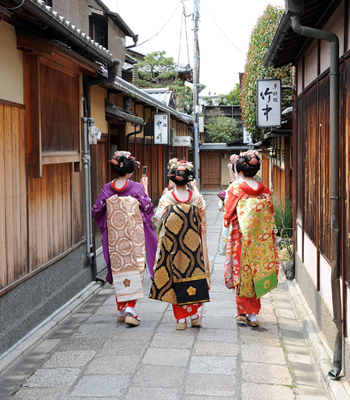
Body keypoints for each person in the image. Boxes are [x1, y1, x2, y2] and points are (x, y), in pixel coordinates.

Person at [92, 151, 157, 326]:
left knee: (118, 267)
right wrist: (145, 188)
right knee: (135, 268)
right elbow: (148, 208)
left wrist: (109, 221)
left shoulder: (107, 188)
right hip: (135, 236)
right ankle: (130, 309)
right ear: (130, 171)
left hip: (115, 235)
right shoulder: (136, 188)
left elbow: (96, 210)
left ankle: (121, 309)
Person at [149, 158, 210, 330]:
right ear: (190, 179)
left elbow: (158, 221)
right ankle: (194, 316)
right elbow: (202, 220)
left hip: (172, 246)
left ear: (171, 178)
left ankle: (181, 320)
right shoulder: (196, 198)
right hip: (193, 246)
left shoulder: (166, 198)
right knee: (193, 274)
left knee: (174, 277)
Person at [223, 150, 279, 327]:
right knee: (258, 269)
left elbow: (228, 212)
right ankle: (252, 314)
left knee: (243, 271)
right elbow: (270, 213)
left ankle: (242, 311)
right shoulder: (264, 190)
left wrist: (227, 221)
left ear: (239, 171)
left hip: (241, 237)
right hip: (260, 239)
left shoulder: (236, 189)